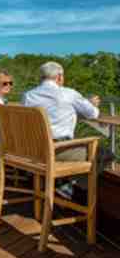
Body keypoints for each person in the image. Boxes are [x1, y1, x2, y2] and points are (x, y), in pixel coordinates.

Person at [22, 61, 101, 196]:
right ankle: (69, 188)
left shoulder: (27, 95)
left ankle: (60, 184)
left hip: (34, 150)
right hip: (57, 150)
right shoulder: (68, 94)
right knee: (103, 154)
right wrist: (90, 104)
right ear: (59, 77)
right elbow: (93, 114)